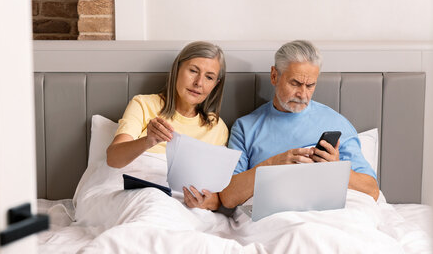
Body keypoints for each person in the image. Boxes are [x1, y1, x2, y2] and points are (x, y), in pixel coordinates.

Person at [183, 40, 379, 211]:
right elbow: (228, 197)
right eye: (295, 83)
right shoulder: (246, 127)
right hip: (276, 218)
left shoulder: (337, 123)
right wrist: (272, 164)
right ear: (274, 76)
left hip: (331, 214)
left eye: (310, 86)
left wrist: (336, 169)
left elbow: (372, 191)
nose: (303, 94)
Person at [107, 41, 229, 187]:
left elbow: (215, 188)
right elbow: (113, 159)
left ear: (215, 84)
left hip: (183, 202)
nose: (199, 83)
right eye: (193, 71)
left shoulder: (216, 127)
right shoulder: (143, 104)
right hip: (143, 193)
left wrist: (206, 201)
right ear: (177, 69)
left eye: (209, 77)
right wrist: (148, 141)